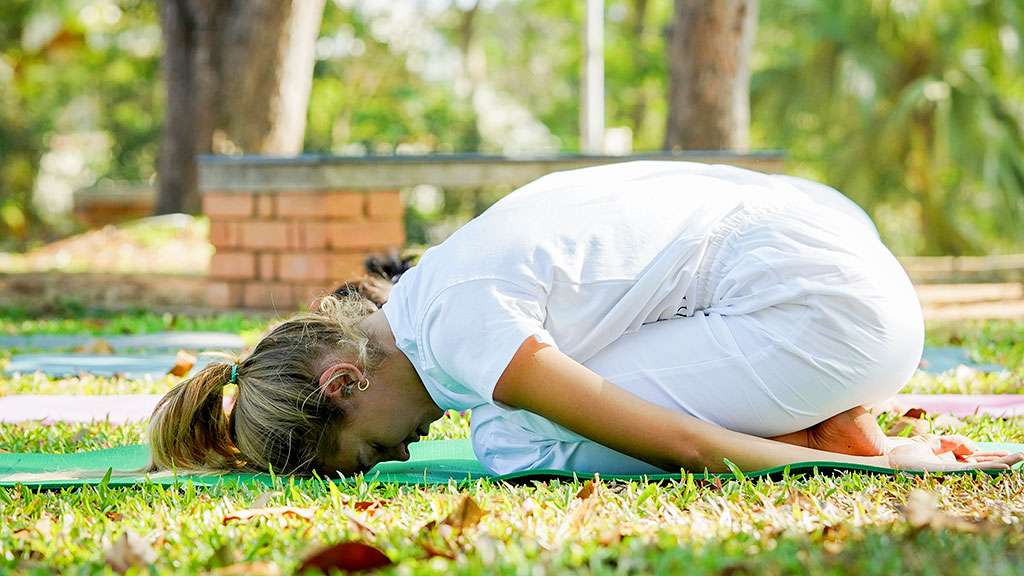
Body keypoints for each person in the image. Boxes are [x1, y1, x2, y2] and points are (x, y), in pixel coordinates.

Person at [148, 162, 1022, 476]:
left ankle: (833, 436)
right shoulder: (444, 282)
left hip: (830, 315)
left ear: (345, 381)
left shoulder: (453, 326)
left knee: (517, 442)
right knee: (515, 417)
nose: (404, 454)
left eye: (372, 449)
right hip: (842, 262)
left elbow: (681, 446)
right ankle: (822, 413)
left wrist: (873, 475)